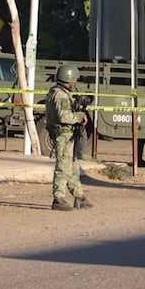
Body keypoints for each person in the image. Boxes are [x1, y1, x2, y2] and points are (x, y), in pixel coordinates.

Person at [46, 64, 93, 210]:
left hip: (69, 135)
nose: (75, 82)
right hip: (63, 135)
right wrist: (79, 116)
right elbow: (64, 116)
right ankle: (58, 199)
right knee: (63, 167)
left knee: (73, 167)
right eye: (74, 79)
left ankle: (79, 197)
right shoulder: (60, 95)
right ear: (69, 78)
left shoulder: (62, 92)